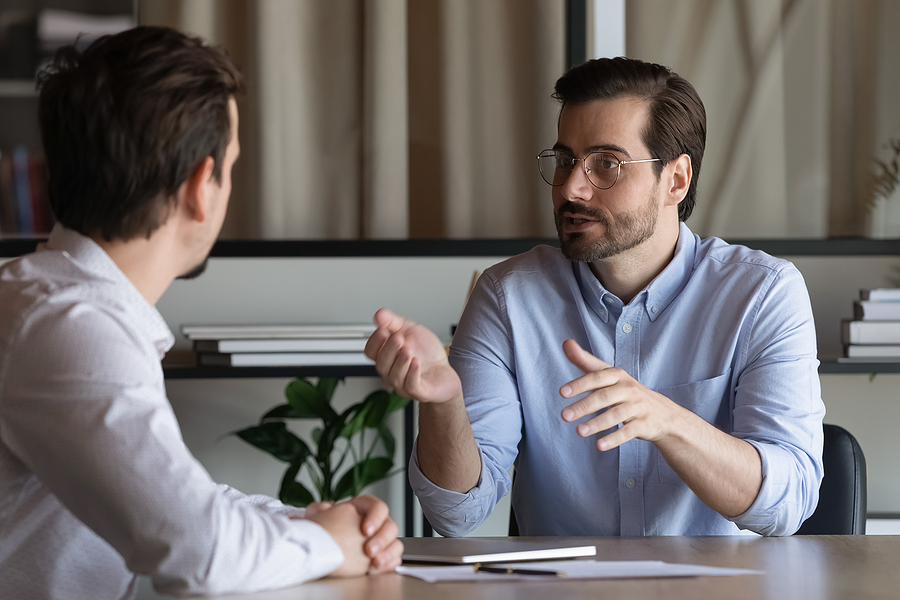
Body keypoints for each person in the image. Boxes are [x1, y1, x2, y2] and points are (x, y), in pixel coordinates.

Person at [0, 26, 402, 598]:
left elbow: (176, 498)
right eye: (230, 167)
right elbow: (198, 552)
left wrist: (311, 524)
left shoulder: (49, 303)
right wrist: (331, 545)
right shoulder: (69, 327)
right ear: (199, 187)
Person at [365, 57, 825, 538]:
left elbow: (786, 504)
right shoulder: (507, 297)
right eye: (565, 160)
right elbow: (457, 515)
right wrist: (444, 403)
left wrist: (667, 421)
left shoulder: (763, 293)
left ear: (676, 180)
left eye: (607, 164)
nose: (571, 187)